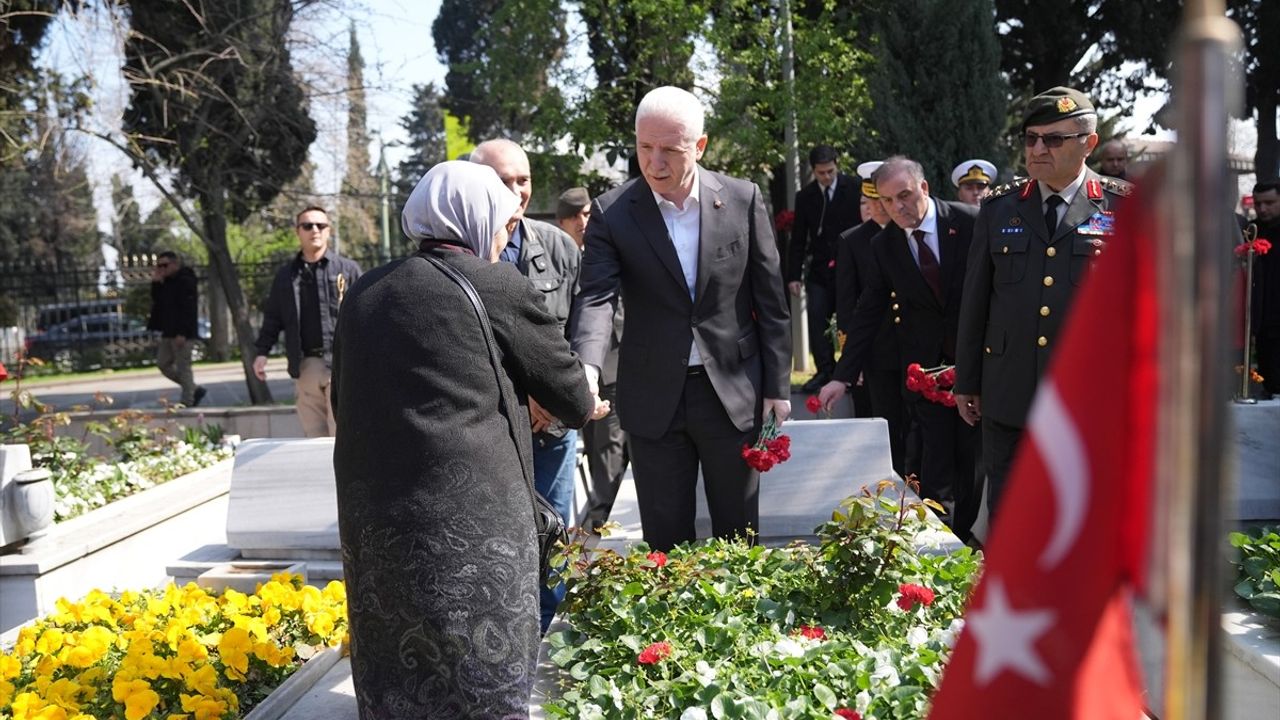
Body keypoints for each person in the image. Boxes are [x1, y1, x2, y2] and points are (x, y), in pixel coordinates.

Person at [331, 161, 605, 719]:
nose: (506, 240)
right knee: (483, 683)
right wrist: (586, 391)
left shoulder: (365, 293)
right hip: (474, 524)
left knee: (397, 684)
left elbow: (346, 400)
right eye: (505, 226)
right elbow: (572, 399)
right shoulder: (496, 283)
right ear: (476, 218)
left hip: (376, 521)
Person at [571, 85, 792, 552]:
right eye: (644, 147)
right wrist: (587, 369)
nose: (654, 163)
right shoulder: (613, 213)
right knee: (665, 543)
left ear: (701, 146)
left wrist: (778, 388)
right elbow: (595, 298)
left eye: (670, 150)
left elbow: (771, 302)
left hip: (732, 394)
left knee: (738, 536)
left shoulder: (742, 199)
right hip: (653, 398)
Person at [954, 87, 1132, 519]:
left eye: (1053, 140)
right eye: (1031, 138)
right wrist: (967, 380)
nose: (1037, 149)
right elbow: (976, 301)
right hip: (1009, 394)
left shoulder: (1123, 207)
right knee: (1011, 517)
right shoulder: (999, 209)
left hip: (1088, 400)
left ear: (1088, 143)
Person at [819, 157, 981, 541]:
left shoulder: (969, 222)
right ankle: (947, 548)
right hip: (926, 374)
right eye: (888, 201)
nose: (898, 208)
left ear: (923, 188)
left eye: (905, 196)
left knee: (972, 463)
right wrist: (842, 376)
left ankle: (970, 541)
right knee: (935, 464)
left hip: (975, 367)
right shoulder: (884, 244)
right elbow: (868, 310)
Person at [470, 139, 582, 632]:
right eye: (503, 180)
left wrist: (550, 396)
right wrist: (520, 397)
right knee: (494, 537)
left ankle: (546, 633)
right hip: (490, 428)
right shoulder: (461, 247)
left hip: (552, 425)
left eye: (524, 180)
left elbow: (584, 330)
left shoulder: (558, 246)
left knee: (553, 535)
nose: (516, 192)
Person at [253, 206, 362, 438]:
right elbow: (273, 317)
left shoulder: (348, 270)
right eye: (308, 225)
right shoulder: (286, 276)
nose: (315, 230)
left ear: (328, 231)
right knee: (314, 439)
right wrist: (261, 352)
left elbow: (365, 314)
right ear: (298, 231)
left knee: (342, 437)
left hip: (341, 364)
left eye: (320, 225)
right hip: (305, 367)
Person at [560, 186, 631, 533]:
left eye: (588, 214)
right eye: (578, 216)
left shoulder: (611, 248)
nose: (584, 222)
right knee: (606, 451)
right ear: (566, 221)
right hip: (592, 372)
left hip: (625, 365)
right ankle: (604, 525)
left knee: (618, 448)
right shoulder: (565, 257)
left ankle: (610, 521)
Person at [834, 160, 909, 474]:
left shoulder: (907, 232)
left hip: (911, 343)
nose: (878, 208)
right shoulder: (853, 240)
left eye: (883, 201)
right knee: (883, 422)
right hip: (876, 348)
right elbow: (847, 303)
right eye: (872, 201)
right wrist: (853, 358)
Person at [789, 144, 861, 392]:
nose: (826, 177)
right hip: (819, 271)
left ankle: (849, 371)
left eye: (830, 171)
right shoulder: (805, 197)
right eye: (821, 173)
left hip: (849, 269)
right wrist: (793, 275)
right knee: (818, 319)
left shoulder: (854, 188)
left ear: (837, 166)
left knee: (847, 321)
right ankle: (825, 370)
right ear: (814, 171)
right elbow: (798, 239)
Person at [147, 251, 205, 407]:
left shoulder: (186, 280)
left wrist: (182, 333)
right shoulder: (165, 282)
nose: (161, 269)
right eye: (159, 266)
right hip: (168, 331)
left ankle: (188, 400)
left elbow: (188, 309)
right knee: (163, 363)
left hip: (182, 333)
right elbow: (158, 303)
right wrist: (156, 283)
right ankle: (193, 388)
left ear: (175, 264)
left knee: (183, 366)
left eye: (164, 265)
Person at [1250, 178, 1280, 398]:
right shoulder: (1252, 230)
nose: (1263, 208)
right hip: (1262, 321)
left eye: (1269, 203)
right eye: (1258, 203)